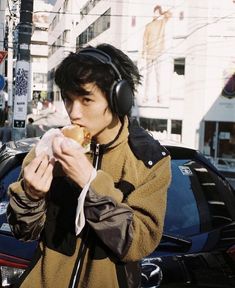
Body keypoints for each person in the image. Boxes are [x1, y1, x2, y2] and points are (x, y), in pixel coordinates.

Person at [7, 43, 171, 288]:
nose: (74, 113)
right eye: (68, 99)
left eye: (86, 99)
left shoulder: (149, 161)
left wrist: (91, 184)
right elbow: (24, 233)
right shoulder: (50, 146)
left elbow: (137, 242)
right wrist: (31, 195)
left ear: (119, 98)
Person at [141, 5, 172, 103]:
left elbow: (170, 15)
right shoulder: (148, 25)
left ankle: (159, 97)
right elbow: (144, 40)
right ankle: (145, 97)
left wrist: (162, 13)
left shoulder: (162, 23)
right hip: (150, 53)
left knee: (158, 76)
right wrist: (143, 52)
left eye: (158, 13)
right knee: (148, 77)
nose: (156, 14)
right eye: (155, 12)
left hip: (158, 53)